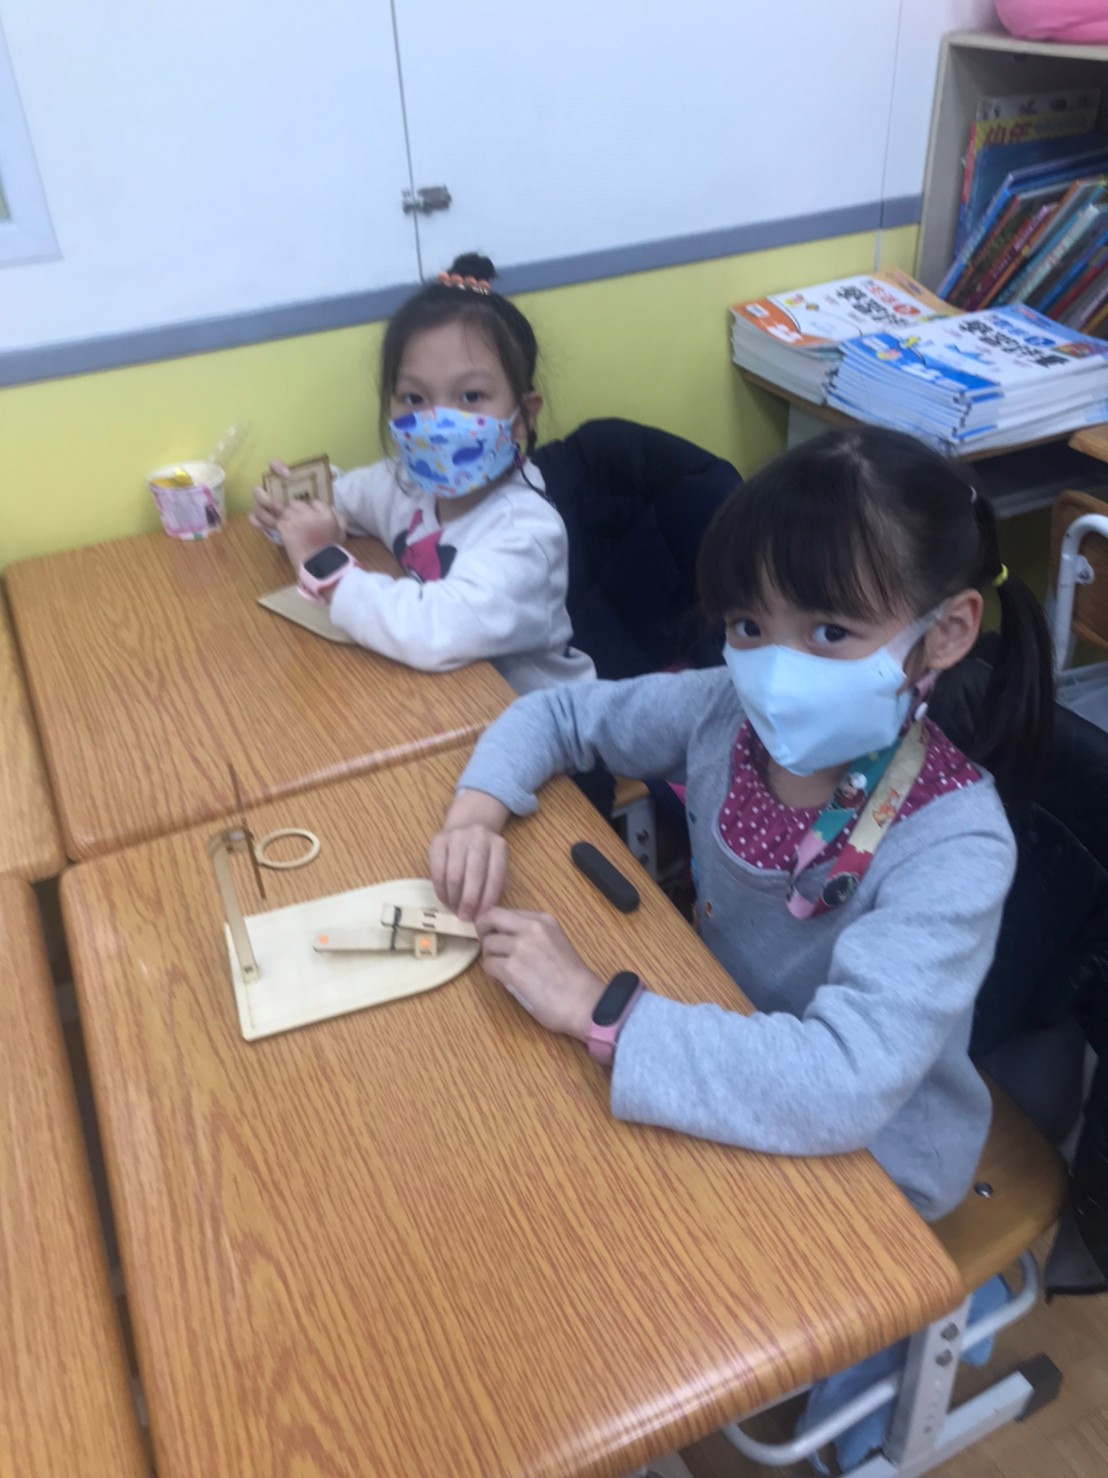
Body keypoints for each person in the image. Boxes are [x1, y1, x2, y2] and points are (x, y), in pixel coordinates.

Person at [428, 425, 1054, 1222]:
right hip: (713, 1042)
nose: (776, 669)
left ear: (947, 632)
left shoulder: (956, 842)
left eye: (830, 632)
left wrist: (594, 1005)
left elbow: (843, 1082)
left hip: (874, 1165)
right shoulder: (726, 710)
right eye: (749, 627)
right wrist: (477, 812)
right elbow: (559, 715)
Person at [250, 253, 595, 695]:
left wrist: (321, 560)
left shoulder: (526, 531)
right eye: (414, 398)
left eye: (471, 396)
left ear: (523, 417)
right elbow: (339, 500)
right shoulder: (405, 483)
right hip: (444, 699)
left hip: (541, 719)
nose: (436, 423)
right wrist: (287, 512)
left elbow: (434, 628)